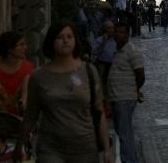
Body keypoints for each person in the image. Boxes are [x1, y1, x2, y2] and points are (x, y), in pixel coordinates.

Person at [23, 22, 111, 163]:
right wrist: (19, 144)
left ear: (75, 41)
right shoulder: (39, 76)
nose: (65, 41)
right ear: (52, 41)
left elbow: (99, 112)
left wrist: (107, 150)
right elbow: (31, 114)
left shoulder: (88, 71)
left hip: (84, 147)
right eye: (60, 37)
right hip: (50, 147)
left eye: (69, 37)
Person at [106, 23, 146, 163]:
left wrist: (134, 89)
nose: (118, 35)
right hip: (117, 97)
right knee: (123, 131)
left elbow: (140, 75)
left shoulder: (132, 52)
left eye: (122, 32)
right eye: (116, 32)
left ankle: (129, 160)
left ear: (127, 35)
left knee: (124, 133)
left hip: (125, 97)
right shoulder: (118, 51)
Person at [93, 21, 117, 86]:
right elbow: (95, 52)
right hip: (102, 64)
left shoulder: (116, 40)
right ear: (104, 29)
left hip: (112, 65)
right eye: (109, 28)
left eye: (112, 28)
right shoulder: (99, 40)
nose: (111, 30)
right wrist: (104, 42)